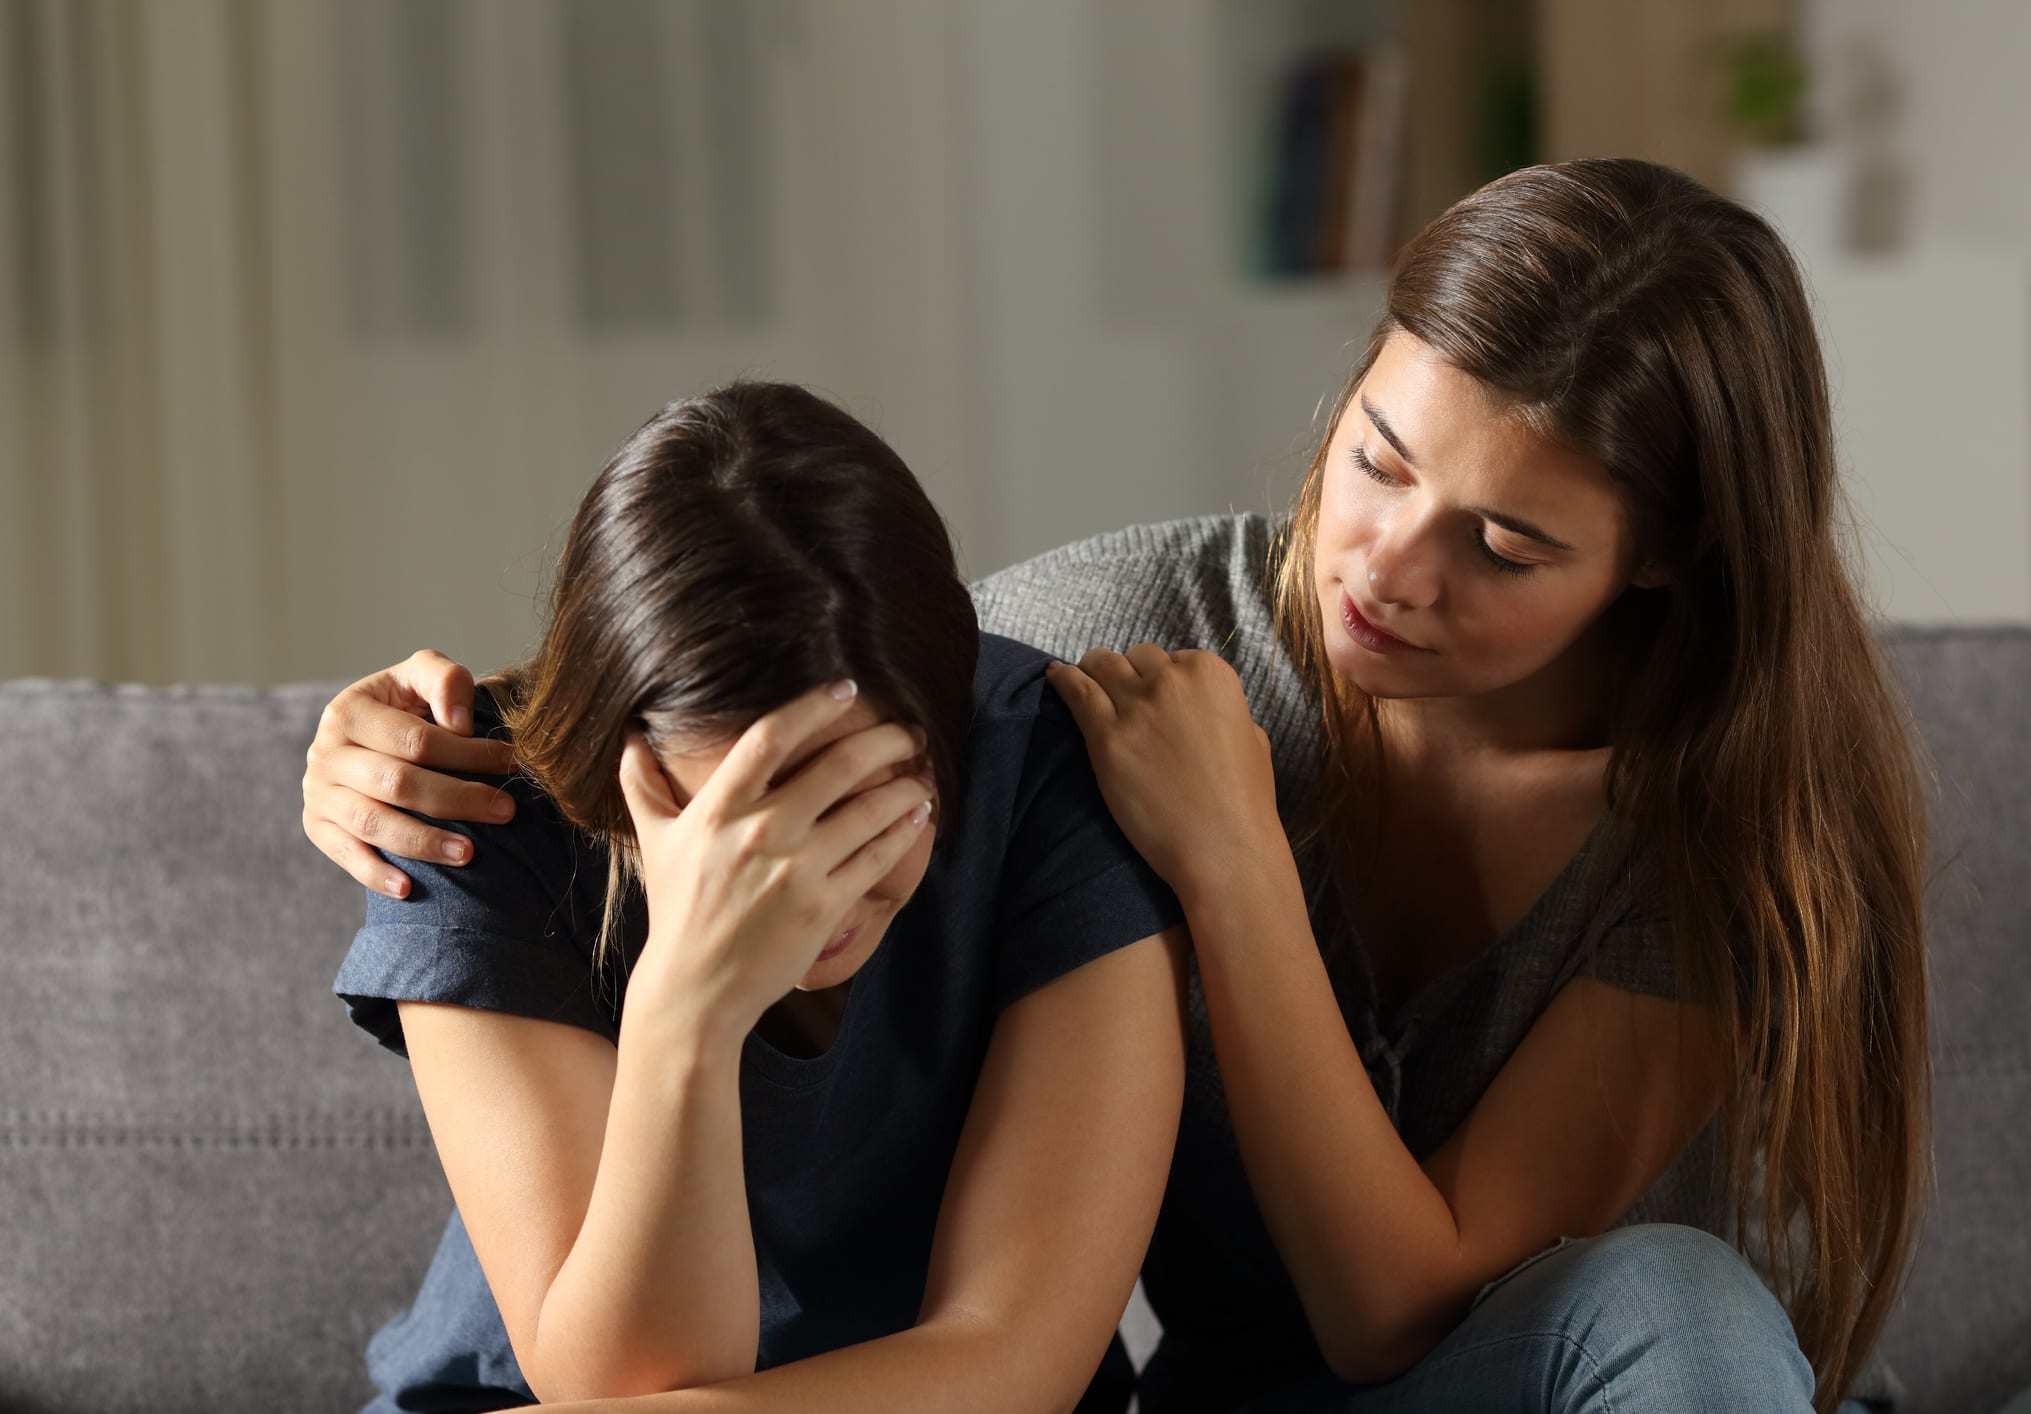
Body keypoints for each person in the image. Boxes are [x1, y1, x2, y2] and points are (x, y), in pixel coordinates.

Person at [304, 160, 1928, 1414]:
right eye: (1376, 455)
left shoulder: (1744, 832)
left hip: (1540, 1375)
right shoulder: (1104, 645)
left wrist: (1227, 861)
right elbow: (815, 641)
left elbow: (1393, 1304)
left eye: (1505, 545)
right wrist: (382, 739)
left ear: (1667, 558)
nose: (1389, 567)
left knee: (1683, 1294)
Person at [318, 380, 1191, 1412]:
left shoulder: (1048, 772)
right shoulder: (472, 813)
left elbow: (1013, 1358)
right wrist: (687, 1003)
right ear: (626, 768)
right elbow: (619, 1381)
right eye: (745, 829)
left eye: (865, 812)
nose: (811, 895)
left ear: (943, 737)